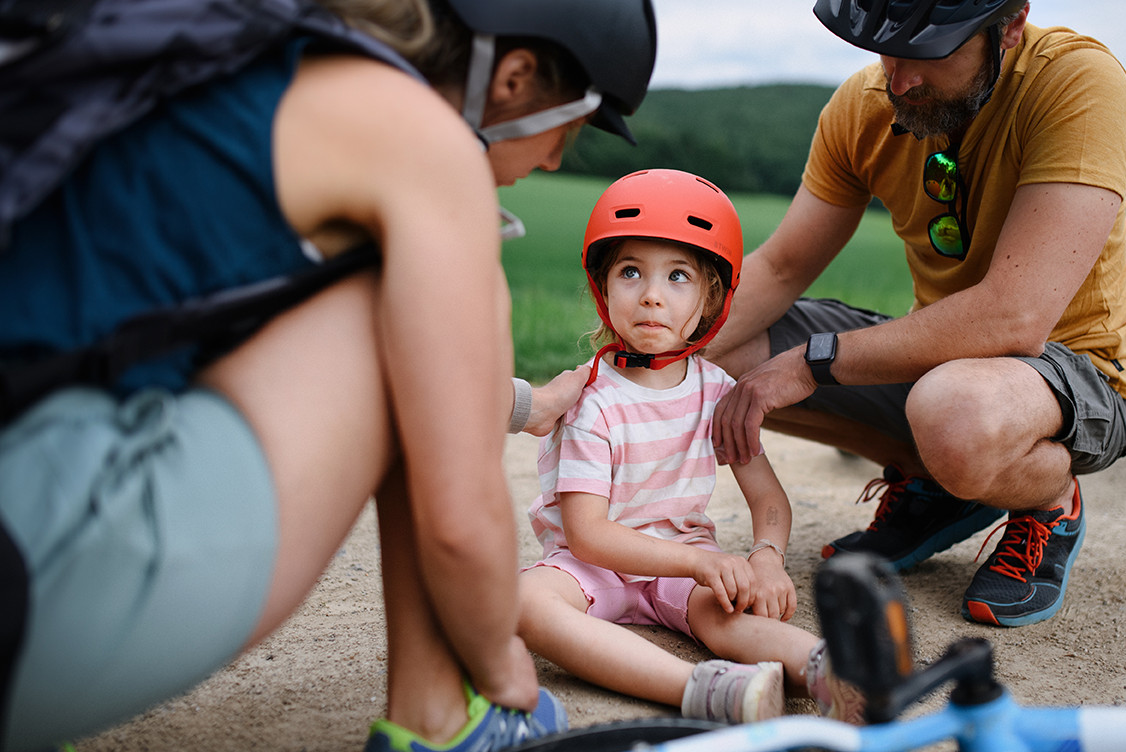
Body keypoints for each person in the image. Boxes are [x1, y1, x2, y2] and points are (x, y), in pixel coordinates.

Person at [0, 0, 655, 750]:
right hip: (38, 585)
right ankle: (445, 719)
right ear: (513, 78)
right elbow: (457, 526)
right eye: (566, 132)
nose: (552, 162)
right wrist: (502, 661)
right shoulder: (420, 141)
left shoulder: (246, 53)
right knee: (405, 302)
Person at [707, 0, 1126, 628]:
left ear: (1009, 24)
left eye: (929, 51)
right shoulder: (863, 106)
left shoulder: (1077, 82)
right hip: (942, 371)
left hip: (1067, 369)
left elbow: (1014, 318)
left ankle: (1049, 498)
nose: (899, 78)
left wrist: (815, 360)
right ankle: (937, 482)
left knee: (954, 416)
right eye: (886, 48)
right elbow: (779, 268)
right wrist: (627, 360)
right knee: (718, 348)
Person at [516, 169, 862, 726]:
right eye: (631, 272)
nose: (652, 295)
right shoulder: (588, 398)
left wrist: (766, 557)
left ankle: (836, 673)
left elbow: (768, 500)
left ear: (709, 300)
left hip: (684, 572)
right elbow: (588, 533)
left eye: (678, 276)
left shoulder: (718, 392)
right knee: (528, 603)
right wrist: (701, 560)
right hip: (592, 567)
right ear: (603, 287)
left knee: (727, 609)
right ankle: (704, 690)